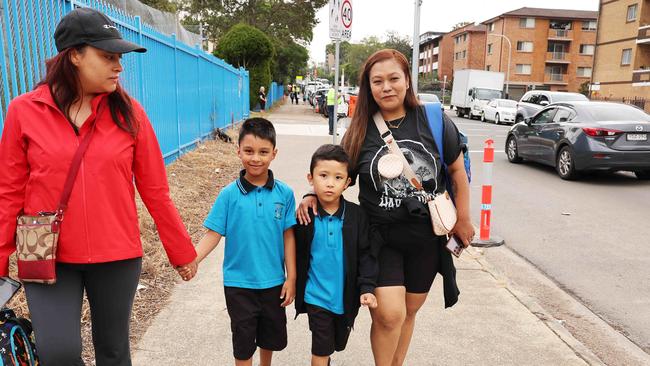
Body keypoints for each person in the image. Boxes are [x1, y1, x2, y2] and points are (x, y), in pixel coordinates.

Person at [0, 7, 197, 366]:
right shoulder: (23, 112)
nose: (118, 67)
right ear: (74, 55)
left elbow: (155, 190)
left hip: (116, 255)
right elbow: (9, 191)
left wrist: (180, 251)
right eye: (107, 57)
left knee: (113, 352)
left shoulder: (130, 114)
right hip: (46, 255)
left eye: (119, 58)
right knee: (59, 353)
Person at [297, 49, 475, 366]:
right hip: (379, 238)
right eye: (377, 81)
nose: (386, 87)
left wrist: (463, 217)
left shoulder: (433, 119)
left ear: (407, 80)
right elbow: (337, 173)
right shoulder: (361, 128)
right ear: (369, 87)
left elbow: (457, 171)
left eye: (394, 78)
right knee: (389, 315)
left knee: (409, 311)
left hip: (426, 237)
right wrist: (313, 195)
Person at [189, 118, 296, 366]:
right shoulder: (228, 195)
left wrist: (292, 278)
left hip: (274, 282)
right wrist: (191, 259)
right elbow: (213, 234)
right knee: (243, 340)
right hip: (239, 284)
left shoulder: (285, 194)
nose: (255, 158)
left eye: (263, 152)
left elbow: (288, 236)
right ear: (238, 151)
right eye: (248, 151)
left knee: (270, 338)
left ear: (274, 154)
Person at [294, 144, 378, 366]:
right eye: (323, 176)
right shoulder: (305, 216)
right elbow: (291, 249)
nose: (330, 183)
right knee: (320, 349)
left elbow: (366, 255)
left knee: (336, 343)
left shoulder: (357, 216)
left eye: (338, 177)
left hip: (345, 297)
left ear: (347, 182)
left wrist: (367, 288)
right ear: (310, 178)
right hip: (316, 296)